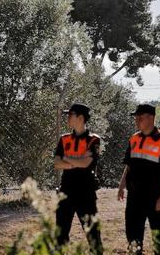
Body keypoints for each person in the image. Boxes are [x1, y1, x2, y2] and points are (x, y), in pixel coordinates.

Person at [118, 104, 160, 255]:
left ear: (151, 118)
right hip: (134, 197)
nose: (137, 120)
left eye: (140, 117)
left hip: (154, 197)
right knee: (133, 235)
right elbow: (129, 165)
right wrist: (122, 185)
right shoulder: (134, 139)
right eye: (136, 117)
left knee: (159, 237)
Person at [53, 103, 104, 254]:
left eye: (71, 115)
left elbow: (87, 163)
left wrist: (67, 159)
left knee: (93, 234)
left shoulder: (93, 140)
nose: (68, 118)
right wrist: (77, 163)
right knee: (60, 235)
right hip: (66, 191)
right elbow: (56, 164)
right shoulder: (64, 139)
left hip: (86, 193)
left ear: (80, 118)